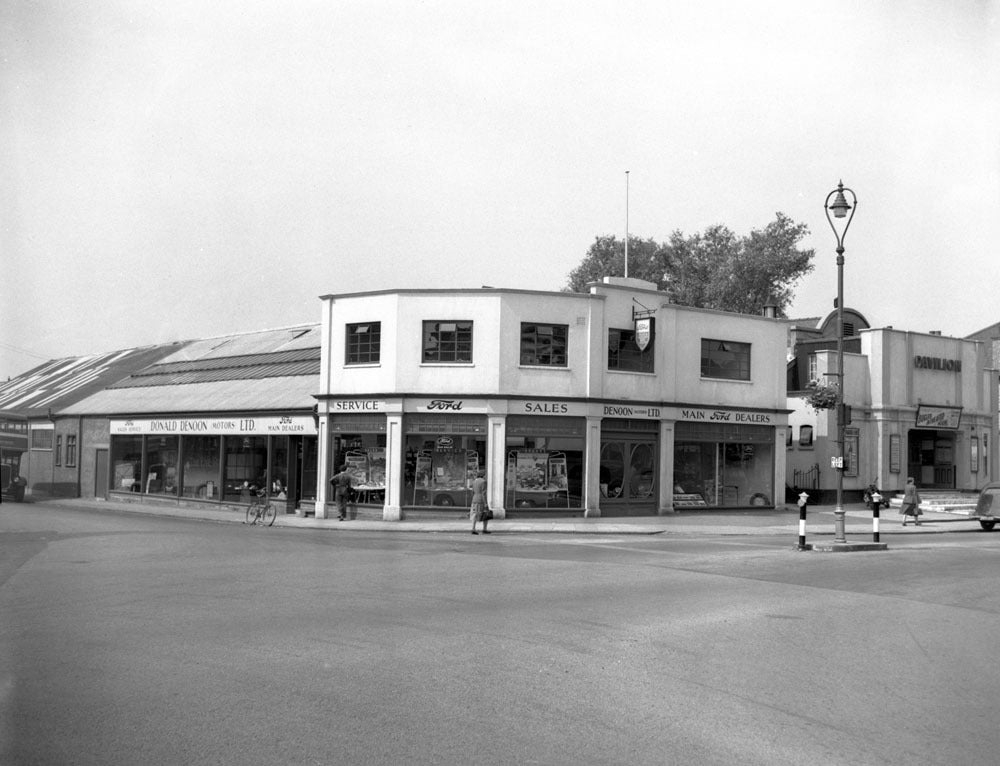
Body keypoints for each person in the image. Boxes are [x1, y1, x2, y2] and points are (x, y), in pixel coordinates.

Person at [470, 470, 490, 535]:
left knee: (474, 514)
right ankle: (484, 529)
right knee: (486, 514)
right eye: (485, 475)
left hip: (474, 499)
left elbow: (472, 491)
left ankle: (473, 528)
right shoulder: (483, 482)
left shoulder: (474, 481)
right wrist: (486, 503)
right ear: (483, 475)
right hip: (481, 500)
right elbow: (484, 493)